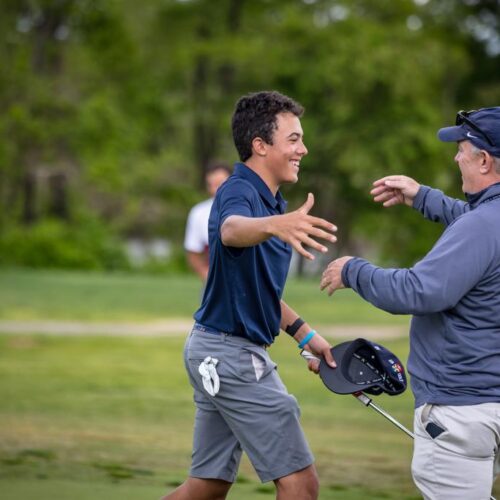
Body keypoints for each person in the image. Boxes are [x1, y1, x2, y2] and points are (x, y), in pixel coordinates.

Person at [162, 90, 338, 500]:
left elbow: (258, 291)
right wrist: (277, 225)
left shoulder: (271, 200)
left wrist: (307, 336)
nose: (303, 149)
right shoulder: (237, 191)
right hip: (232, 357)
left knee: (205, 489)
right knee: (301, 483)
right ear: (260, 146)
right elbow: (231, 230)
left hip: (215, 351)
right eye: (293, 139)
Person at [320, 107, 500, 500]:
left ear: (484, 161)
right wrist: (423, 198)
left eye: (462, 149)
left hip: (461, 407)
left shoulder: (480, 225)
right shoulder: (485, 220)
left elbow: (420, 290)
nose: (456, 157)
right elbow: (480, 224)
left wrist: (354, 271)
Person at [184, 163, 232, 283]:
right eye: (213, 185)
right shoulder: (199, 212)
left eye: (221, 183)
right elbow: (193, 252)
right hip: (215, 282)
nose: (217, 189)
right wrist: (208, 277)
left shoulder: (249, 208)